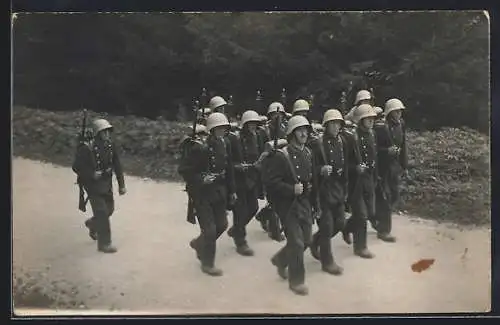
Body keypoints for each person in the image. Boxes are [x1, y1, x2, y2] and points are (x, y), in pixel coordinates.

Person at [264, 115, 319, 296]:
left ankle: (281, 259)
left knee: (307, 241)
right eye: (300, 130)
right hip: (287, 206)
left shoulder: (308, 153)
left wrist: (314, 202)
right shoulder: (281, 156)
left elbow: (312, 180)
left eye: (306, 130)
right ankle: (297, 281)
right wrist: (291, 189)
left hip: (304, 203)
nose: (304, 133)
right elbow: (271, 183)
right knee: (296, 242)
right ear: (292, 133)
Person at [178, 112, 237, 276]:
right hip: (202, 193)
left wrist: (232, 191)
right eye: (218, 128)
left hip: (219, 191)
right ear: (211, 129)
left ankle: (199, 243)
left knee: (222, 225)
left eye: (224, 128)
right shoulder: (200, 147)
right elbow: (184, 170)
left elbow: (229, 168)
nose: (222, 131)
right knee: (210, 230)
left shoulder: (225, 144)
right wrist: (201, 178)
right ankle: (207, 263)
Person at [72, 118, 127, 253]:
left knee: (109, 209)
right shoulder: (87, 148)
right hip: (92, 185)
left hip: (106, 183)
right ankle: (104, 244)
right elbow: (76, 167)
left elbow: (117, 165)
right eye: (104, 132)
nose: (107, 135)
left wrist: (121, 185)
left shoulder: (110, 145)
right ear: (97, 133)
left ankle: (93, 223)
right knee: (102, 212)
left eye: (108, 132)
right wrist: (91, 174)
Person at [309, 109, 349, 275]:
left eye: (338, 123)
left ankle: (315, 241)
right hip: (323, 190)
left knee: (340, 223)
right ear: (325, 125)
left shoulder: (342, 141)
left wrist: (345, 185)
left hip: (338, 189)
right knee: (326, 226)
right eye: (332, 123)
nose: (335, 126)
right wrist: (320, 170)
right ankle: (328, 262)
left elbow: (345, 164)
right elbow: (308, 168)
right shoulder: (317, 144)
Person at [227, 110, 266, 256]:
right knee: (240, 210)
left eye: (255, 124)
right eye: (250, 124)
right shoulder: (236, 140)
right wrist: (239, 167)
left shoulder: (258, 137)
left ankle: (236, 229)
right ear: (244, 125)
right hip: (238, 179)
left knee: (253, 208)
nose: (253, 126)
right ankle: (241, 241)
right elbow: (229, 161)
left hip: (253, 178)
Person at [343, 104, 378, 259]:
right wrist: (355, 168)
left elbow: (373, 156)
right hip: (355, 182)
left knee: (370, 212)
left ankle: (346, 227)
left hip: (369, 179)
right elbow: (344, 163)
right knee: (362, 215)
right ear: (360, 120)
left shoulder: (372, 134)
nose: (370, 121)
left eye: (372, 118)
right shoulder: (352, 137)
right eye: (367, 119)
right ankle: (360, 247)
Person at [373, 98, 408, 242]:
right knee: (386, 197)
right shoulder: (381, 127)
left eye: (400, 111)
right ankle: (384, 231)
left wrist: (404, 165)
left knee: (394, 195)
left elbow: (403, 145)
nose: (399, 114)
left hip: (394, 166)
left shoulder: (402, 125)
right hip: (382, 167)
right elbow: (373, 149)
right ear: (389, 112)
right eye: (396, 111)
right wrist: (386, 151)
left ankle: (375, 216)